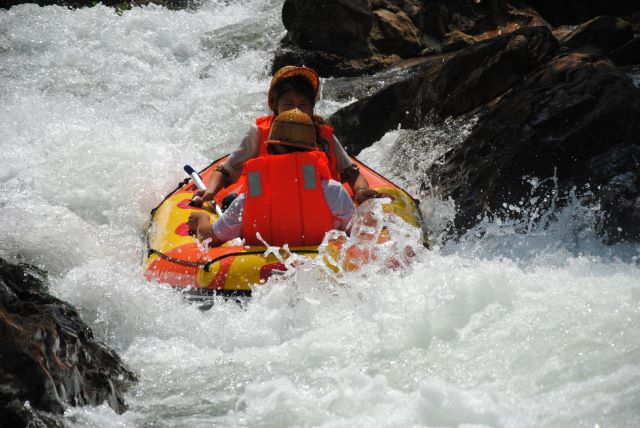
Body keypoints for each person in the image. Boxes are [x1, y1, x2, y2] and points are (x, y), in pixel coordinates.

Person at [191, 65, 380, 207]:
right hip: (267, 204)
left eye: (303, 104)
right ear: (275, 105)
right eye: (288, 104)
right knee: (232, 201)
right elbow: (225, 170)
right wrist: (211, 191)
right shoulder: (260, 132)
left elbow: (351, 173)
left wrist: (361, 192)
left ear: (312, 106)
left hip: (317, 205)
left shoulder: (322, 132)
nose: (296, 110)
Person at [188, 108, 355, 247]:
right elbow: (359, 236)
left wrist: (202, 218)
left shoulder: (249, 199)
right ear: (313, 151)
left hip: (258, 275)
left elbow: (209, 240)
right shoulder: (334, 191)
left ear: (271, 149)